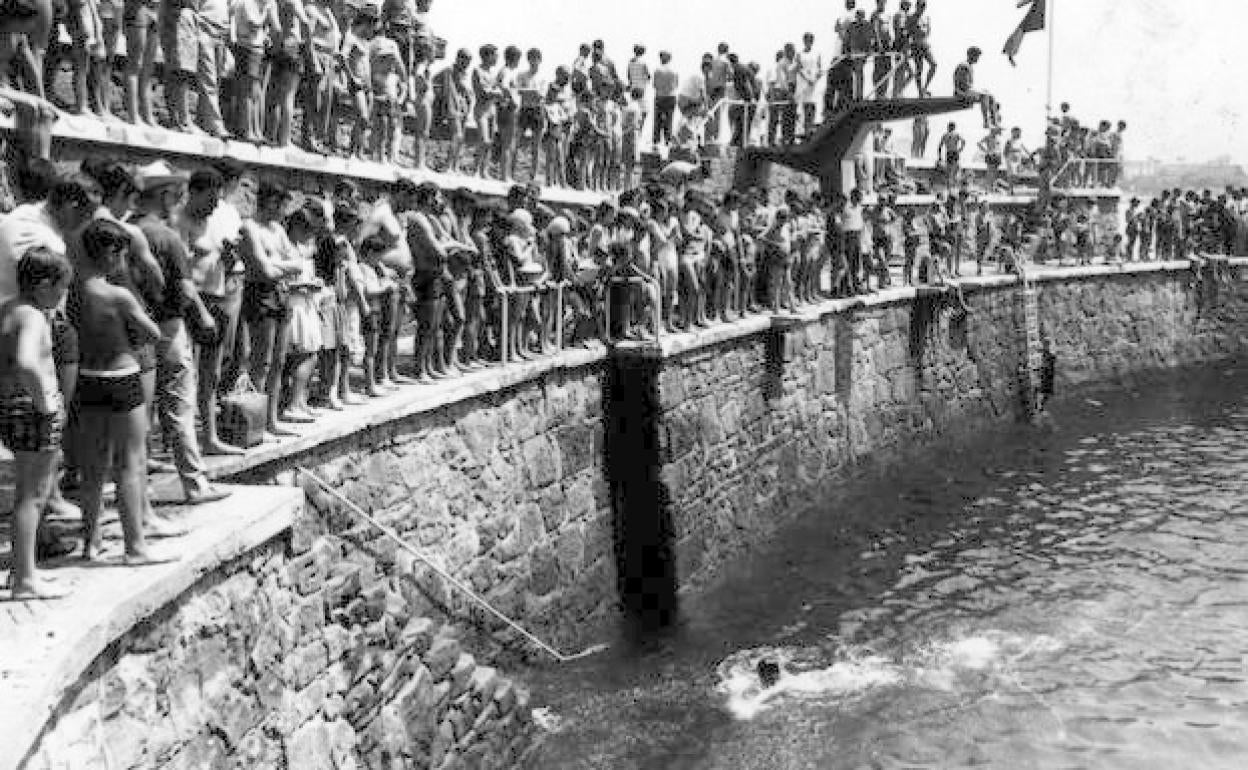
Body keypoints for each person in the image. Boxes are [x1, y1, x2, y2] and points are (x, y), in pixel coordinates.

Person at [133, 162, 231, 504]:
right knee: (179, 407)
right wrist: (203, 317)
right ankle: (194, 483)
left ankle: (138, 490)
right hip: (169, 326)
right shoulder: (165, 236)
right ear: (162, 196)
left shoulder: (124, 229)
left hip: (132, 331)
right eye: (174, 195)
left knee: (140, 412)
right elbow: (186, 289)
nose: (178, 201)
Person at [72, 219, 168, 564]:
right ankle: (135, 547)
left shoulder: (73, 290)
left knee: (93, 467)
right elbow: (153, 333)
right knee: (129, 462)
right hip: (121, 376)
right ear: (112, 253)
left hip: (86, 378)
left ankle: (91, 542)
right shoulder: (118, 295)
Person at [0, 247, 72, 599]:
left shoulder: (8, 309)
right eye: (61, 288)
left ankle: (20, 572)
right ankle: (26, 579)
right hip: (32, 410)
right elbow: (27, 361)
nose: (63, 296)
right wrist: (45, 403)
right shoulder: (32, 317)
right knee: (33, 495)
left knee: (28, 495)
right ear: (44, 284)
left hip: (12, 406)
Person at [515, 48, 547, 183]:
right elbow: (518, 91)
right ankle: (512, 172)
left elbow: (541, 95)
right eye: (532, 59)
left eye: (536, 59)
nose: (534, 61)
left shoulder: (543, 77)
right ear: (528, 60)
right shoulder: (522, 75)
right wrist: (532, 92)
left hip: (537, 111)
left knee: (535, 147)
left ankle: (533, 176)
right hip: (524, 110)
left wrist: (530, 92)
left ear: (540, 60)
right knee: (516, 142)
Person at [470, 44, 502, 178]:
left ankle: (484, 170)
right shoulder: (478, 71)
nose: (497, 58)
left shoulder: (492, 73)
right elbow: (484, 91)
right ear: (488, 56)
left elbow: (496, 90)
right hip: (482, 108)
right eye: (495, 55)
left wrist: (496, 92)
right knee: (484, 140)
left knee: (490, 142)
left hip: (492, 109)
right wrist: (497, 93)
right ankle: (476, 170)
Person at [954, 47, 1000, 130]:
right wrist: (977, 93)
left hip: (966, 90)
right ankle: (986, 122)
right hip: (961, 92)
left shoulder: (969, 66)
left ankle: (994, 121)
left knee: (990, 96)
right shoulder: (964, 66)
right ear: (971, 55)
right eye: (977, 56)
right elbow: (961, 85)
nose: (978, 58)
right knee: (984, 96)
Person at [794, 33, 822, 137]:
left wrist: (815, 79)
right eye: (807, 40)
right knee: (806, 106)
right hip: (804, 82)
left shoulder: (817, 53)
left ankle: (811, 128)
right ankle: (805, 129)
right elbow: (799, 68)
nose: (808, 42)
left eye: (810, 40)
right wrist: (807, 79)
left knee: (813, 105)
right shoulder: (799, 54)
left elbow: (820, 68)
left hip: (814, 83)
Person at [907, 0, 935, 97]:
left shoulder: (926, 17)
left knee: (934, 64)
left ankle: (925, 87)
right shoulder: (910, 17)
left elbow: (928, 31)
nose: (922, 8)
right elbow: (908, 33)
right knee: (919, 69)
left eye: (923, 6)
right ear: (916, 6)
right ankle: (920, 92)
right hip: (915, 45)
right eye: (920, 6)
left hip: (924, 44)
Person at [653, 51, 679, 146]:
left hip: (659, 96)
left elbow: (655, 85)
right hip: (671, 96)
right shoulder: (674, 70)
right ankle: (668, 140)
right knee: (669, 120)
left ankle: (656, 141)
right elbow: (676, 85)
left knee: (657, 121)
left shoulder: (657, 70)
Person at [938, 122, 964, 189]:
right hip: (953, 153)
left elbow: (940, 146)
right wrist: (960, 150)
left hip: (951, 153)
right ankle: (952, 185)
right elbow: (964, 142)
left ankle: (951, 185)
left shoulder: (947, 135)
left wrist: (940, 156)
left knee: (951, 170)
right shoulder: (954, 134)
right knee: (952, 170)